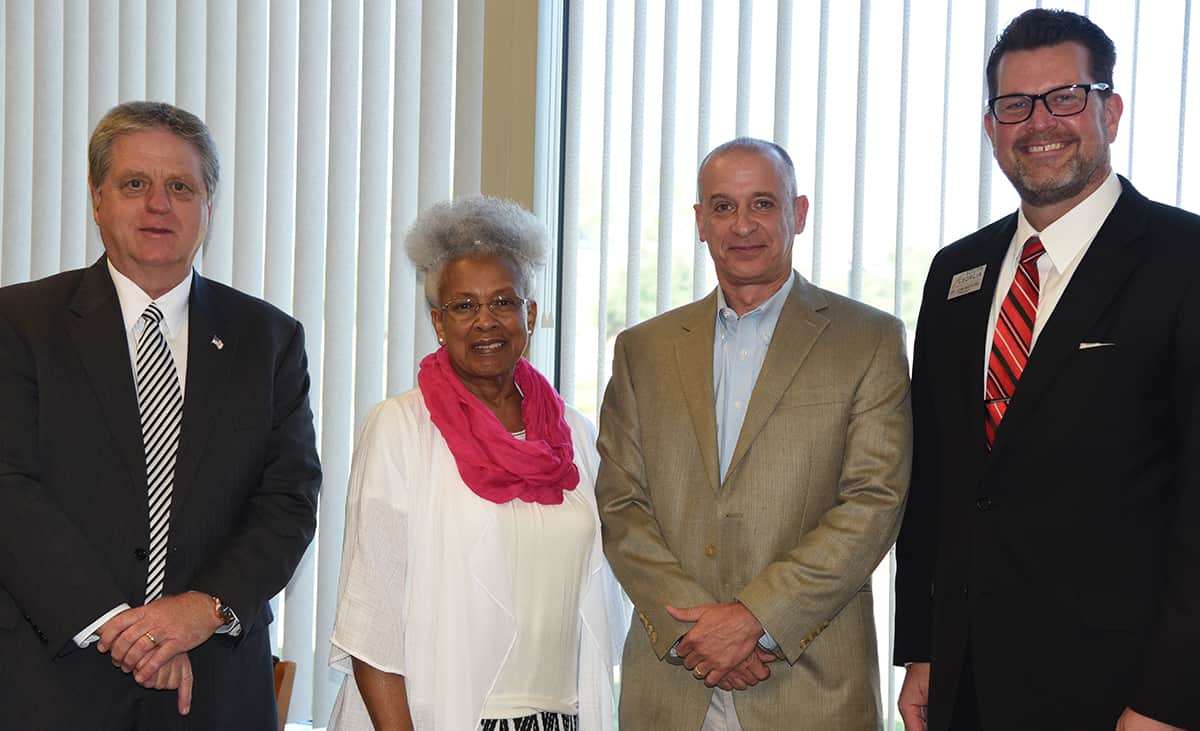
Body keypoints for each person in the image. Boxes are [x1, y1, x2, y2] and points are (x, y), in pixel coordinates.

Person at [894, 9, 1200, 731]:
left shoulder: (1185, 261)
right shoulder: (955, 273)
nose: (1040, 123)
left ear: (1111, 110)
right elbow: (935, 480)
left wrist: (1168, 698)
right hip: (965, 684)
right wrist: (922, 651)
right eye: (1014, 104)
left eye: (1065, 96)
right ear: (991, 125)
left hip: (1123, 695)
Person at [0, 101, 321, 729]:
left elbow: (288, 500)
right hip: (54, 681)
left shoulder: (268, 339)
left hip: (215, 683)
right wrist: (121, 627)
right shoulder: (19, 325)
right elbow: (9, 489)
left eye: (181, 187)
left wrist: (200, 611)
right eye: (135, 184)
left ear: (208, 206)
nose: (159, 204)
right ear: (97, 199)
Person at [596, 137, 912, 729]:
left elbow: (873, 503)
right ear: (699, 222)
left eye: (762, 204)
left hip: (809, 686)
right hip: (673, 685)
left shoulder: (867, 341)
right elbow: (621, 504)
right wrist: (700, 634)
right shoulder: (643, 350)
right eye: (722, 206)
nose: (742, 225)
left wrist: (754, 620)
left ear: (798, 212)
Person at [327, 195, 624, 730]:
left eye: (504, 302)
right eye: (464, 306)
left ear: (530, 315)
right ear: (438, 323)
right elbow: (371, 618)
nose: (485, 321)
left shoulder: (575, 435)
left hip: (563, 716)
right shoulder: (400, 428)